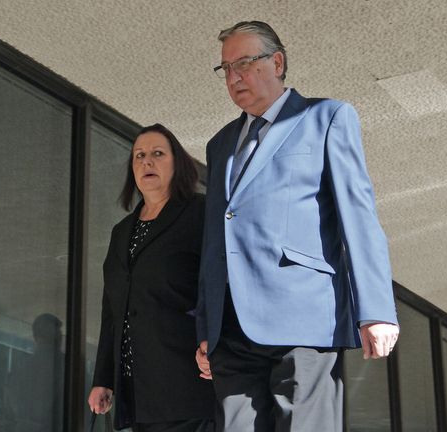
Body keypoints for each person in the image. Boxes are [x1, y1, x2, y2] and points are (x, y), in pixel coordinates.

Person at [194, 21, 400, 431]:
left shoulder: (325, 117)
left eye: (245, 63)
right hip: (231, 326)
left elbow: (357, 215)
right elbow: (215, 239)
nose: (235, 77)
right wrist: (206, 325)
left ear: (278, 62)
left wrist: (375, 310)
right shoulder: (219, 144)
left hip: (303, 316)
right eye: (226, 69)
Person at [89, 124, 215, 432]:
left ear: (177, 163)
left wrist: (218, 340)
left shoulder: (200, 212)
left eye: (158, 153)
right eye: (139, 155)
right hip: (139, 393)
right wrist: (103, 379)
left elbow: (219, 284)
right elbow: (112, 309)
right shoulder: (121, 232)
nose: (147, 161)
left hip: (188, 383)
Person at [4, 313, 64, 432]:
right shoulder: (68, 368)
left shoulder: (19, 370)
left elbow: (9, 412)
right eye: (58, 333)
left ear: (36, 337)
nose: (60, 337)